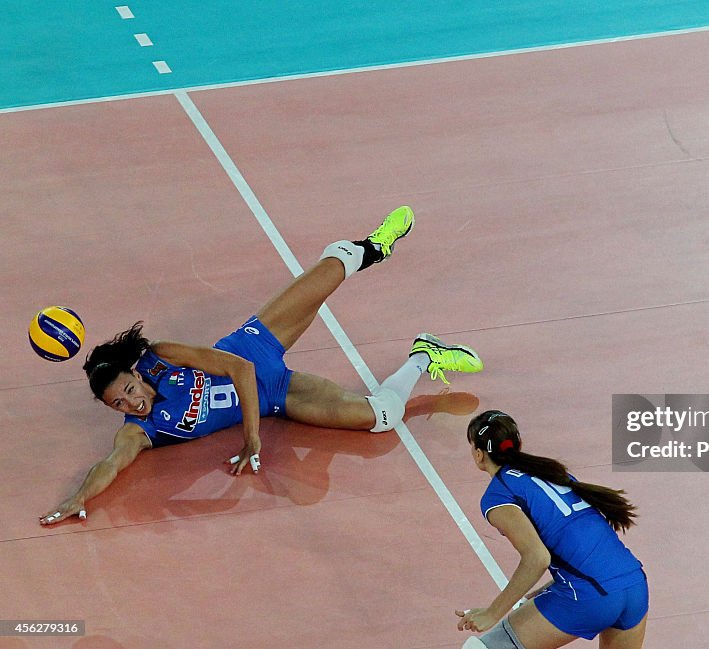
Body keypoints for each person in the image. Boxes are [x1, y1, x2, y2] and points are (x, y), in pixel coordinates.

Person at [40, 206, 483, 525]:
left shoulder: (162, 356)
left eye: (129, 390)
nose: (132, 403)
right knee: (381, 417)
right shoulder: (141, 432)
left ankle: (373, 247)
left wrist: (252, 440)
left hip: (254, 348)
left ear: (135, 374)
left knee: (328, 275)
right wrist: (79, 496)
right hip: (277, 396)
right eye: (120, 404)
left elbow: (239, 369)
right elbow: (112, 464)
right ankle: (424, 355)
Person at [456, 410, 647, 649]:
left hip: (589, 597)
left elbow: (537, 558)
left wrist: (492, 613)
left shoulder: (499, 493)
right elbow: (585, 552)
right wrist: (536, 596)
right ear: (518, 444)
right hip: (634, 586)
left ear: (478, 454)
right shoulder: (554, 473)